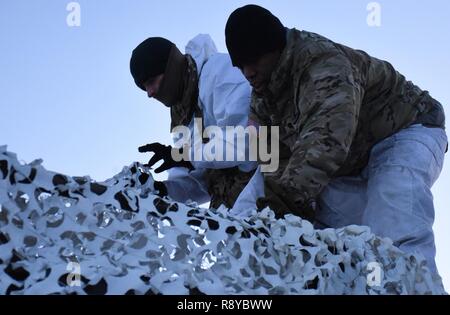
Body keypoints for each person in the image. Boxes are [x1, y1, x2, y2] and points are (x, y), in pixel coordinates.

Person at [225, 4, 447, 276]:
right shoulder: (263, 96)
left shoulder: (323, 64)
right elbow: (270, 160)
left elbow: (326, 141)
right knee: (322, 234)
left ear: (274, 48)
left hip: (405, 131)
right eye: (240, 65)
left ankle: (412, 283)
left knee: (392, 205)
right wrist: (256, 220)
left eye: (254, 60)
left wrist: (280, 202)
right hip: (353, 161)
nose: (248, 72)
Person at [130, 34, 256, 209]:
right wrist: (159, 192)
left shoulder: (220, 75)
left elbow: (247, 143)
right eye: (144, 87)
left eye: (151, 82)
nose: (149, 93)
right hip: (234, 217)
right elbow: (198, 183)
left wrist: (185, 155)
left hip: (273, 197)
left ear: (171, 67)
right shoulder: (182, 117)